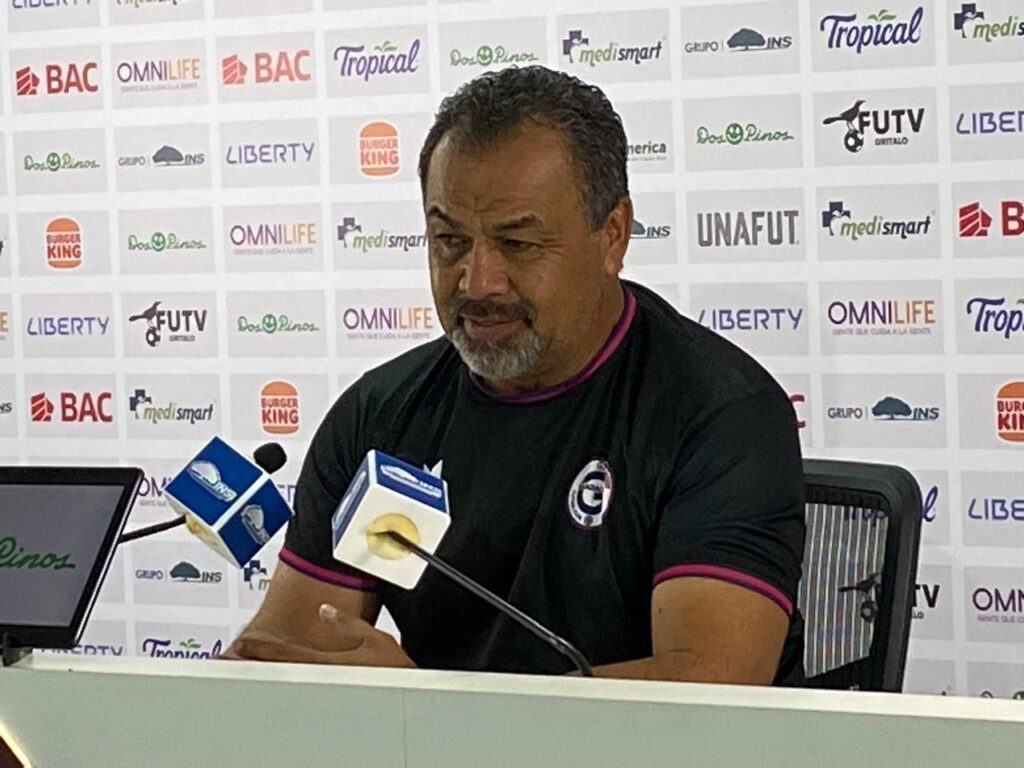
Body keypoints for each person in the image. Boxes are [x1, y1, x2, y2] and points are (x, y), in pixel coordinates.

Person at [227, 65, 806, 685]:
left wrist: (428, 707)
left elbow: (709, 686)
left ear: (612, 236)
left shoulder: (720, 412)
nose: (478, 282)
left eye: (518, 244)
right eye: (449, 240)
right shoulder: (379, 414)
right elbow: (280, 658)